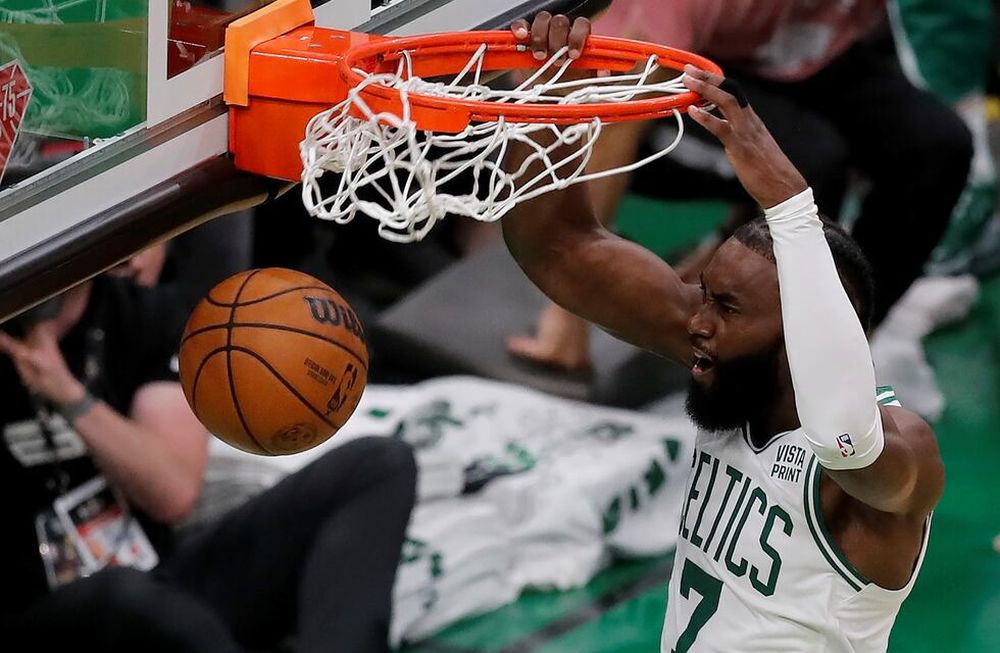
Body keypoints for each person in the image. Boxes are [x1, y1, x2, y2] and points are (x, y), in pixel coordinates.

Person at [504, 14, 944, 651]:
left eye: (727, 308)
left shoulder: (901, 454)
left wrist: (792, 206)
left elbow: (843, 440)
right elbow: (555, 245)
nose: (698, 321)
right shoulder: (731, 368)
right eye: (705, 294)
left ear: (797, 335)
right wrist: (555, 102)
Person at [507, 0, 974, 370]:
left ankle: (843, 353)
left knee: (938, 147)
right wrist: (570, 312)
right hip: (653, 81)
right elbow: (624, 109)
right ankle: (749, 358)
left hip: (799, 58)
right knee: (811, 167)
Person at [0, 255, 416, 652]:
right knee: (121, 595)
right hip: (42, 617)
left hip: (161, 584)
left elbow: (173, 493)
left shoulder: (144, 313)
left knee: (378, 465)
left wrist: (70, 397)